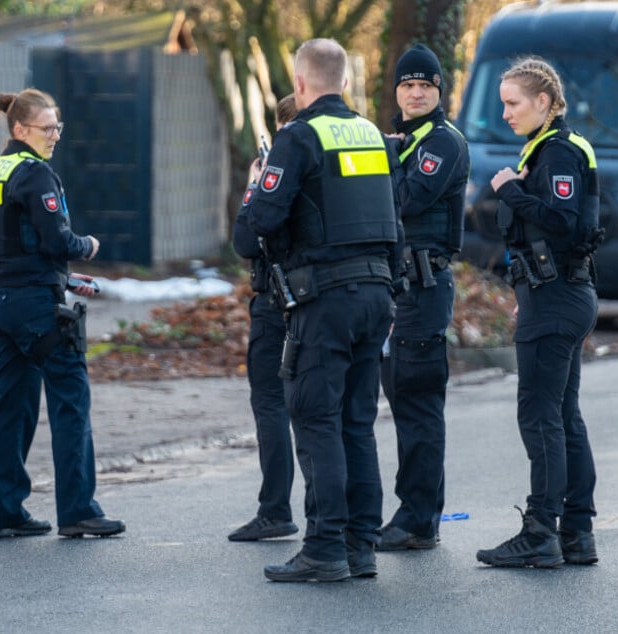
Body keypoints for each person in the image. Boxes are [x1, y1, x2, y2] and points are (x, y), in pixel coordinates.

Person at [248, 38, 400, 582]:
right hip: (377, 296)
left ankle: (324, 548)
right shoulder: (372, 135)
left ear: (300, 81)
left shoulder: (297, 136)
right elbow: (393, 219)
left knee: (316, 418)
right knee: (357, 424)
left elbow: (259, 223)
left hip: (325, 299)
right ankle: (361, 545)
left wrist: (254, 196)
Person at [0, 88, 125, 539]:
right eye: (48, 128)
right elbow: (57, 241)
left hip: (0, 303)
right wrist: (87, 247)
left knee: (13, 408)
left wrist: (59, 274)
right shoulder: (35, 174)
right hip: (36, 310)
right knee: (70, 401)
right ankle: (78, 508)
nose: (56, 135)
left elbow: (15, 243)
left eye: (58, 127)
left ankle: (4, 512)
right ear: (20, 129)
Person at [476, 56, 600, 568]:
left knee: (541, 416)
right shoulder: (553, 149)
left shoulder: (555, 153)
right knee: (563, 416)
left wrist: (509, 190)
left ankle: (540, 532)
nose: (505, 113)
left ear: (544, 102)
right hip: (566, 294)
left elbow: (563, 222)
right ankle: (576, 533)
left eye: (513, 103)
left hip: (553, 299)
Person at [378, 44, 470, 551]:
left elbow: (408, 199)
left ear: (438, 91)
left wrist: (386, 157)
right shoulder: (404, 140)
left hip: (424, 286)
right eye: (408, 85)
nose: (416, 92)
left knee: (417, 406)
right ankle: (415, 514)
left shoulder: (442, 142)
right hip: (397, 290)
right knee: (405, 403)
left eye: (425, 86)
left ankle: (417, 520)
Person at [228, 95, 300, 542]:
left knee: (271, 402)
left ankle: (275, 509)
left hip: (278, 301)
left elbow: (245, 240)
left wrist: (251, 187)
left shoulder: (279, 165)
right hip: (328, 299)